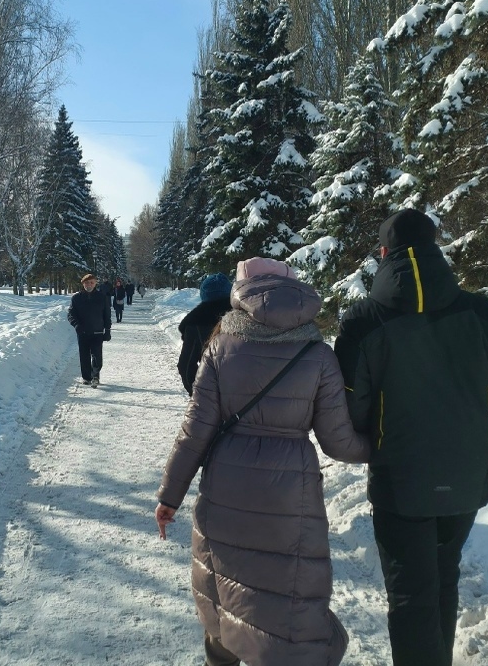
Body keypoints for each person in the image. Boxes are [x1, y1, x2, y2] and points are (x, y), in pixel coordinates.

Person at [334, 208, 488, 666]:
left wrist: (377, 435)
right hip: (465, 481)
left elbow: (352, 407)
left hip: (399, 482)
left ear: (384, 253)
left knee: (411, 596)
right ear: (436, 249)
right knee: (442, 578)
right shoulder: (482, 314)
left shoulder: (363, 322)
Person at [155, 257, 370, 666]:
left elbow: (195, 430)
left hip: (226, 487)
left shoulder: (222, 345)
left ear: (242, 292)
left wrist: (170, 496)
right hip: (292, 494)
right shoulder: (318, 353)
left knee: (226, 589)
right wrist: (382, 447)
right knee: (285, 597)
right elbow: (339, 443)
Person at [176, 273, 232, 394]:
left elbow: (185, 366)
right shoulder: (248, 318)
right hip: (252, 394)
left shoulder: (196, 323)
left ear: (203, 294)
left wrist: (199, 394)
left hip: (213, 392)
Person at [67, 273, 111, 387]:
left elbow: (107, 315)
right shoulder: (76, 298)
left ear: (95, 283)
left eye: (91, 282)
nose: (89, 285)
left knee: (97, 356)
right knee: (84, 356)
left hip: (97, 331)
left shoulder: (102, 297)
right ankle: (86, 377)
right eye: (87, 283)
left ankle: (95, 376)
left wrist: (107, 330)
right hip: (83, 332)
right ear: (83, 284)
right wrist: (76, 325)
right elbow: (71, 314)